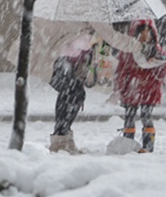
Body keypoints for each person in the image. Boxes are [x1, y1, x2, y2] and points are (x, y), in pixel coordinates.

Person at [47, 23, 143, 154]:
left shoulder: (88, 19)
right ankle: (60, 140)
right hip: (64, 60)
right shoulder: (95, 16)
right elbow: (111, 36)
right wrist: (138, 45)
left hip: (70, 61)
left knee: (74, 95)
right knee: (71, 95)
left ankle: (63, 137)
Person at [114, 19, 166, 153]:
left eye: (148, 32)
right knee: (129, 116)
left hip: (149, 89)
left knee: (145, 115)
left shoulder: (157, 50)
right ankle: (128, 144)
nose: (145, 36)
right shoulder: (128, 51)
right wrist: (119, 88)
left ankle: (148, 147)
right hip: (132, 89)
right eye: (141, 32)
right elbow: (121, 70)